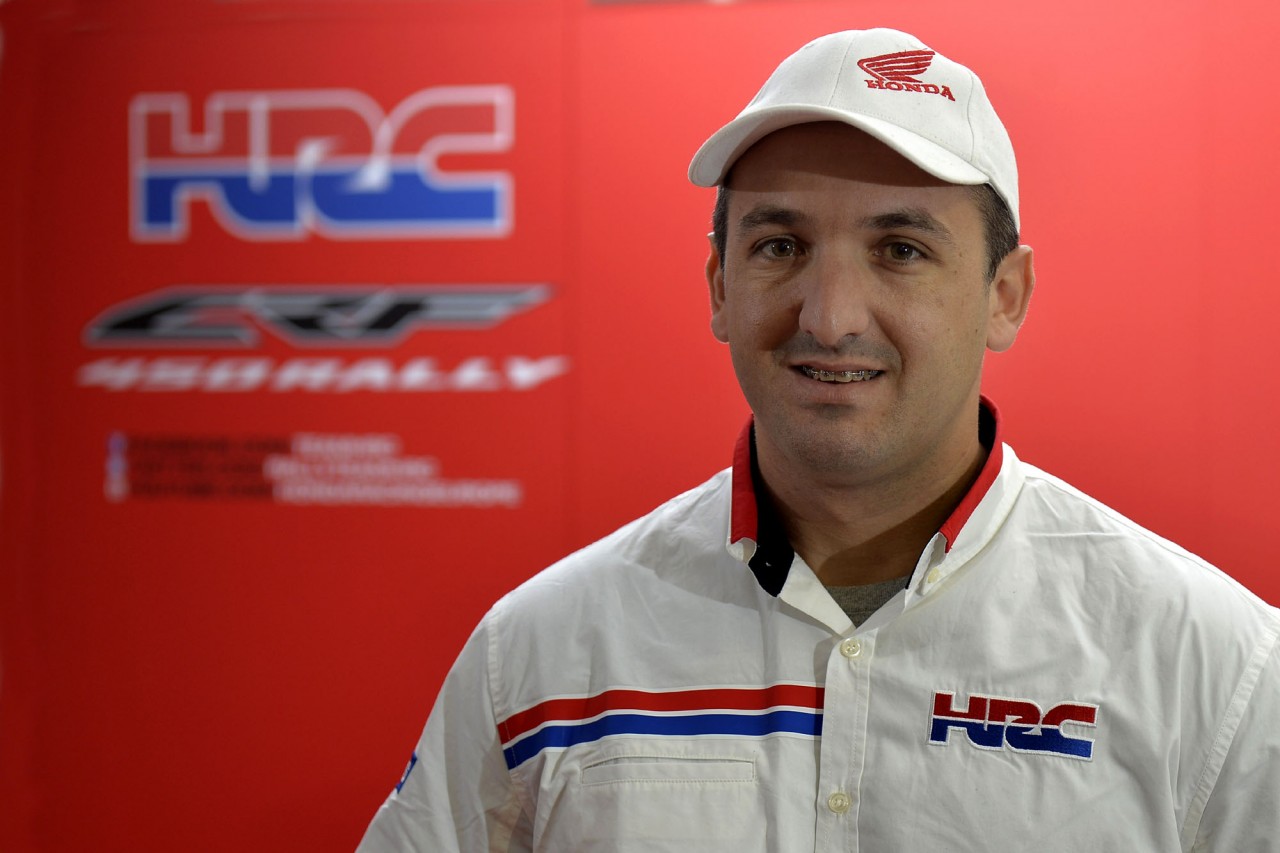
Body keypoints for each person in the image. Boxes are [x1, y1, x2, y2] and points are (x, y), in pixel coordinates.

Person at [356, 28, 1279, 851]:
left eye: (901, 250)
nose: (830, 318)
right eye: (781, 246)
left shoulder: (1215, 664)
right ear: (720, 285)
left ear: (1005, 296)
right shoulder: (539, 651)